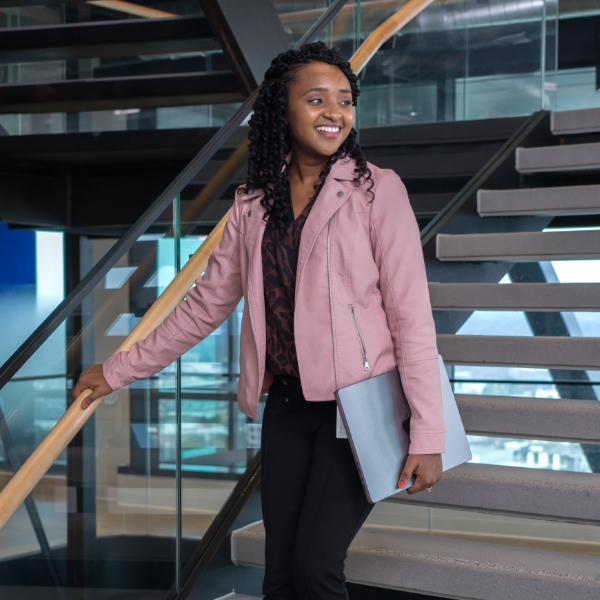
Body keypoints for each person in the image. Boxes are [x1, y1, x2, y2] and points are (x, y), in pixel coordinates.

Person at [74, 42, 445, 600]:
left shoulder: (376, 190)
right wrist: (121, 369)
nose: (334, 113)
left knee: (316, 568)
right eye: (316, 99)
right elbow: (205, 306)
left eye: (345, 101)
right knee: (279, 574)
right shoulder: (252, 203)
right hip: (290, 408)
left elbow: (411, 316)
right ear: (281, 109)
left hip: (362, 407)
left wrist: (428, 432)